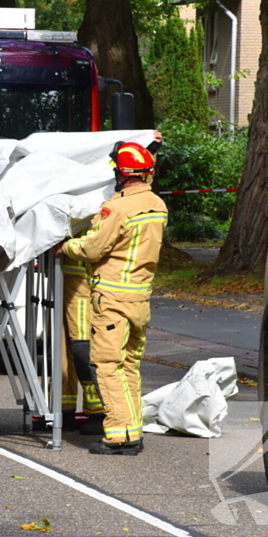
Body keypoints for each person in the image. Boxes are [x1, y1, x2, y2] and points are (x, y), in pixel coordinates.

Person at [60, 133, 166, 455]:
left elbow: (93, 248)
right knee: (130, 365)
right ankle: (132, 432)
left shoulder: (115, 209)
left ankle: (118, 436)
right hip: (140, 299)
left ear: (120, 174)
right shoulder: (157, 205)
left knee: (107, 365)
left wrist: (66, 246)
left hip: (112, 300)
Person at [61, 258, 105, 434]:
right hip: (63, 281)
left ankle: (97, 412)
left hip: (83, 286)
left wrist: (69, 248)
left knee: (83, 350)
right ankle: (63, 411)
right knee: (61, 353)